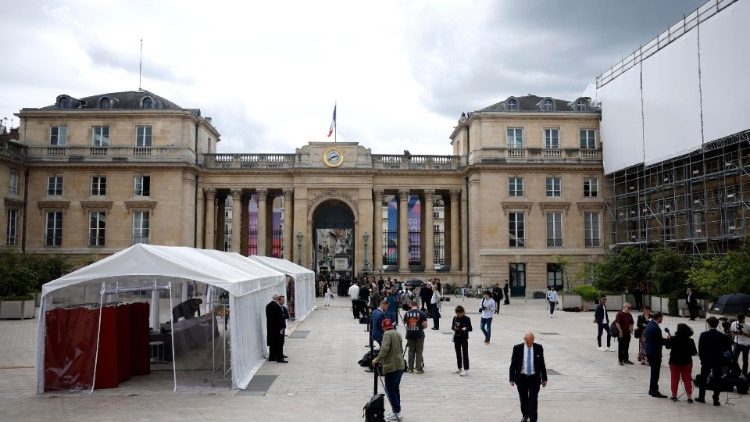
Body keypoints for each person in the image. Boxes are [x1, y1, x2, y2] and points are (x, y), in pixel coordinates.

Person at [509, 332, 548, 422]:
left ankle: (533, 419)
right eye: (528, 343)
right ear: (525, 340)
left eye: (531, 342)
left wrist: (544, 378)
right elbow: (513, 364)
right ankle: (525, 415)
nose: (530, 344)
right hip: (522, 378)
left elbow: (542, 363)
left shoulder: (538, 348)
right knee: (523, 399)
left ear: (533, 340)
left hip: (534, 378)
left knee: (533, 399)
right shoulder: (517, 348)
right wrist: (511, 378)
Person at [371, 318, 405, 421]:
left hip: (392, 367)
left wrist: (377, 359)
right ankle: (397, 410)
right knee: (395, 389)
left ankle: (397, 412)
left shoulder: (386, 334)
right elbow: (400, 348)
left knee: (390, 390)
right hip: (400, 365)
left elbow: (384, 349)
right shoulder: (397, 333)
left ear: (383, 327)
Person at [696, 316, 732, 406]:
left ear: (708, 325)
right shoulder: (722, 336)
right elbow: (727, 349)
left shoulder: (703, 334)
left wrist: (702, 359)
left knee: (703, 378)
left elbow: (700, 349)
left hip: (706, 360)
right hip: (718, 361)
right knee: (717, 380)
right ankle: (716, 399)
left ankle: (701, 397)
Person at [668, 323, 697, 402]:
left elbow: (667, 346)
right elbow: (694, 352)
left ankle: (674, 396)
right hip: (687, 362)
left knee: (674, 379)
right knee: (687, 380)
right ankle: (689, 397)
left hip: (674, 362)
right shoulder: (690, 340)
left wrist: (669, 339)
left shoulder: (674, 338)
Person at [644, 311, 671, 398]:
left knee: (654, 372)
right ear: (658, 317)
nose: (662, 319)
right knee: (655, 373)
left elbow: (656, 339)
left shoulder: (650, 324)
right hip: (654, 353)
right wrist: (668, 341)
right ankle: (654, 391)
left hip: (650, 351)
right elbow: (659, 341)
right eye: (662, 317)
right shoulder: (655, 328)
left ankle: (652, 389)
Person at [403, 301, 428, 374]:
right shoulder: (422, 313)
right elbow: (425, 325)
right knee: (419, 351)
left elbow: (405, 323)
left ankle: (410, 368)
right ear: (417, 305)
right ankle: (418, 369)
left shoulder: (407, 313)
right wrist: (419, 327)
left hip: (410, 334)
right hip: (419, 334)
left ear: (411, 305)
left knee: (411, 351)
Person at [265, 293, 287, 363]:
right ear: (278, 298)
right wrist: (281, 328)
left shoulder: (268, 305)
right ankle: (279, 357)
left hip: (271, 327)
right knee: (279, 342)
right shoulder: (277, 306)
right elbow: (279, 318)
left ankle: (272, 357)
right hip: (277, 328)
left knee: (272, 342)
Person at [451, 305, 473, 376]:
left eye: (459, 313)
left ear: (462, 312)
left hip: (464, 338)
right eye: (457, 313)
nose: (458, 315)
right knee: (458, 353)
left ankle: (466, 369)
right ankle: (459, 368)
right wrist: (454, 328)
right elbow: (452, 327)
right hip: (456, 338)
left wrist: (465, 328)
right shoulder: (455, 318)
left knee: (465, 353)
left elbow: (470, 328)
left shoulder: (467, 318)